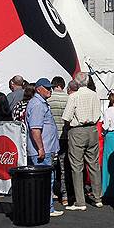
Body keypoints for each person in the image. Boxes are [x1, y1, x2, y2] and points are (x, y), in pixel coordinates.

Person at [62, 78, 103, 210]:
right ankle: (98, 198)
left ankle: (80, 201)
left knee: (76, 166)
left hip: (78, 130)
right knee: (94, 164)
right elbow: (99, 115)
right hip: (92, 129)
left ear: (77, 83)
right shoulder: (94, 95)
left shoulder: (74, 96)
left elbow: (67, 117)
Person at [25, 78, 63, 217]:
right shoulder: (38, 105)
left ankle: (44, 207)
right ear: (38, 89)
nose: (50, 90)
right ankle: (46, 208)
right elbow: (35, 129)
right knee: (45, 180)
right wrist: (40, 148)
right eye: (47, 88)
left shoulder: (40, 103)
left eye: (50, 87)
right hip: (42, 150)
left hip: (45, 148)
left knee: (45, 179)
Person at [47, 76, 70, 206]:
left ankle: (50, 193)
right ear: (62, 85)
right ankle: (65, 195)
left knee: (50, 166)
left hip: (52, 137)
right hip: (65, 136)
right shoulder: (68, 98)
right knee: (63, 167)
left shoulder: (49, 98)